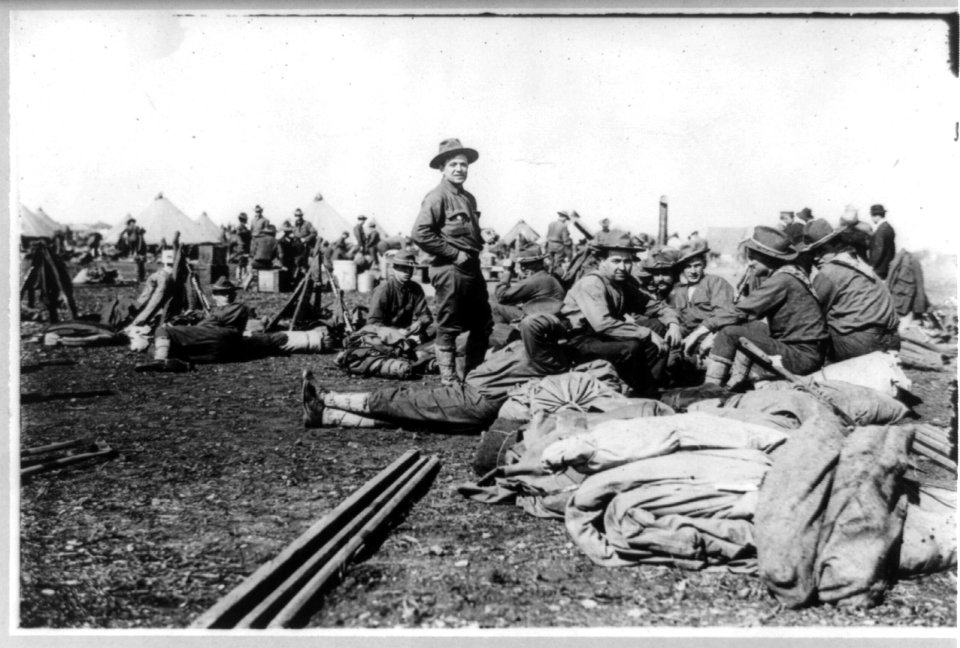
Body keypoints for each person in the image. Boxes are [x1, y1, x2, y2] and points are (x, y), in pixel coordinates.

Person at [301, 315, 572, 432]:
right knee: (410, 418)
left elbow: (531, 323)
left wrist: (559, 325)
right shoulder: (539, 352)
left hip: (474, 399)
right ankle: (326, 416)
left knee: (402, 401)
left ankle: (327, 398)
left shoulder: (547, 356)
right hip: (476, 400)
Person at [683, 226, 827, 386]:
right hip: (803, 349)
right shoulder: (788, 273)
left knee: (730, 333)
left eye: (753, 258)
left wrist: (699, 333)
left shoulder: (782, 281)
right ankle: (735, 379)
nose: (750, 264)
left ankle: (710, 388)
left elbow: (742, 310)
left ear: (769, 258)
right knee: (745, 326)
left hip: (802, 357)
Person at [551, 231, 681, 396]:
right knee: (632, 346)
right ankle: (634, 390)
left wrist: (673, 323)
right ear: (602, 261)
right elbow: (603, 324)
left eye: (627, 261)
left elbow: (655, 306)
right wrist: (646, 334)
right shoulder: (592, 283)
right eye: (616, 261)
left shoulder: (621, 284)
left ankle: (647, 388)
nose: (622, 267)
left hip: (604, 336)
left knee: (658, 326)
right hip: (579, 341)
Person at [411, 137, 492, 383]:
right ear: (442, 169)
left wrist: (483, 234)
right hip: (449, 269)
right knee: (449, 324)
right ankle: (448, 380)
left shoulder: (468, 198)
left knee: (482, 322)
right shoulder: (437, 197)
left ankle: (473, 375)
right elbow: (420, 233)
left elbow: (467, 232)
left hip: (471, 269)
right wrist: (455, 254)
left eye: (464, 165)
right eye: (454, 164)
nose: (459, 169)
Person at [802, 219, 899, 361]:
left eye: (822, 251)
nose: (816, 258)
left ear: (836, 245)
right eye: (813, 253)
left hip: (861, 346)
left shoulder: (830, 271)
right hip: (891, 340)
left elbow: (810, 312)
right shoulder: (858, 264)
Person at [139, 277, 256, 371]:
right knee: (159, 347)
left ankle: (160, 362)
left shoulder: (237, 308)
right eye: (219, 293)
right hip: (218, 348)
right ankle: (179, 365)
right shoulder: (219, 310)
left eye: (229, 293)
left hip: (223, 337)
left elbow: (215, 320)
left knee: (164, 330)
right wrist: (192, 316)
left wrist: (203, 317)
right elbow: (212, 318)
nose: (228, 295)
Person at [669, 239, 735, 336]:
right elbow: (673, 314)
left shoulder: (715, 282)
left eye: (697, 265)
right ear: (682, 269)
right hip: (685, 333)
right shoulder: (679, 290)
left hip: (709, 334)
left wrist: (695, 335)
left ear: (704, 264)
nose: (693, 271)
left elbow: (723, 315)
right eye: (688, 267)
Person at [363, 250, 433, 341]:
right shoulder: (383, 289)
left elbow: (425, 314)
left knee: (439, 329)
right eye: (404, 268)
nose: (408, 271)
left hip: (407, 332)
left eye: (411, 268)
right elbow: (373, 322)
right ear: (395, 268)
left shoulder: (416, 288)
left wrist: (420, 322)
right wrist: (395, 332)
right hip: (385, 334)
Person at [492, 243, 565, 324]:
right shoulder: (545, 276)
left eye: (527, 264)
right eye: (522, 264)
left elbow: (501, 297)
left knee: (495, 307)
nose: (523, 268)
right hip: (547, 318)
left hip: (540, 320)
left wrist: (507, 272)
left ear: (538, 264)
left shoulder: (536, 279)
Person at [126, 249, 177, 327]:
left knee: (144, 297)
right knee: (154, 301)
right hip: (164, 276)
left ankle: (132, 315)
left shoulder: (162, 266)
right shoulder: (173, 270)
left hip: (158, 274)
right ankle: (138, 321)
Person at [868, 203, 896, 279]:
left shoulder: (881, 230)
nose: (871, 218)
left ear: (876, 216)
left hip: (879, 270)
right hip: (887, 268)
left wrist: (871, 266)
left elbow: (878, 251)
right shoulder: (889, 227)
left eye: (872, 216)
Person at [118, 217, 147, 282]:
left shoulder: (135, 228)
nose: (133, 224)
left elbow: (136, 237)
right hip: (134, 244)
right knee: (137, 258)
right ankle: (139, 276)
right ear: (129, 223)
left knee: (138, 258)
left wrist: (124, 237)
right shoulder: (130, 229)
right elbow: (122, 234)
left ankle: (140, 276)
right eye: (131, 223)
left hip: (136, 245)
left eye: (133, 223)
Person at [291, 208, 317, 273]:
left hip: (306, 246)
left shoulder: (307, 224)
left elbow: (314, 233)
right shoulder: (294, 225)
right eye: (296, 216)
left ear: (302, 216)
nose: (298, 217)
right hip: (297, 246)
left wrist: (305, 239)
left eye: (299, 216)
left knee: (304, 262)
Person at [235, 212, 252, 282]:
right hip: (242, 247)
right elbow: (241, 233)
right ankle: (239, 277)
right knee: (241, 262)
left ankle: (242, 277)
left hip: (244, 247)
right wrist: (248, 232)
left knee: (244, 262)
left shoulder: (243, 227)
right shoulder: (240, 227)